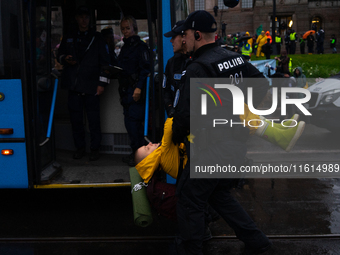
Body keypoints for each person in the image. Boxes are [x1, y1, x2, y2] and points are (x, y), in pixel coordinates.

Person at [171, 10, 273, 255]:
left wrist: (175, 137)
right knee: (218, 194)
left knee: (189, 198)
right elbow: (263, 89)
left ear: (197, 34)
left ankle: (190, 249)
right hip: (236, 145)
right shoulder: (235, 58)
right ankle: (256, 240)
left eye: (186, 34)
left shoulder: (198, 68)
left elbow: (184, 115)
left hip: (212, 148)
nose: (184, 39)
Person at [57, 6, 110, 161]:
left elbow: (105, 63)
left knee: (94, 120)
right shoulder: (69, 36)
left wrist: (101, 84)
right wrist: (65, 59)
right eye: (81, 17)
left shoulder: (97, 37)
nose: (84, 20)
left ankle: (95, 149)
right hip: (73, 85)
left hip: (92, 85)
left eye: (86, 17)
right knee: (76, 121)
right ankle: (79, 148)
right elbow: (59, 55)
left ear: (89, 19)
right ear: (76, 18)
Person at [117, 15, 151, 166]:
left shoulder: (140, 47)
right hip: (125, 92)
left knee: (135, 125)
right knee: (130, 125)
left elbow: (145, 70)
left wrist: (138, 88)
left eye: (127, 28)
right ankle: (136, 154)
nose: (125, 31)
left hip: (135, 91)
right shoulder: (125, 47)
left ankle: (141, 156)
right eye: (123, 29)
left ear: (134, 28)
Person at [163, 20, 190, 117]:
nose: (171, 41)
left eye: (174, 37)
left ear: (184, 37)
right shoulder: (171, 62)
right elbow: (166, 90)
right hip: (176, 119)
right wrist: (170, 108)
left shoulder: (197, 61)